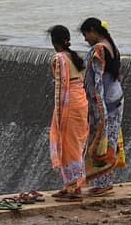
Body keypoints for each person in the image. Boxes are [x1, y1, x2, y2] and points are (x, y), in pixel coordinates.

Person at [80, 17, 126, 196]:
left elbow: (97, 81)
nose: (85, 39)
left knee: (103, 142)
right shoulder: (111, 46)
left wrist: (100, 110)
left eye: (85, 35)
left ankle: (104, 183)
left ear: (93, 31)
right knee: (109, 141)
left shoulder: (98, 49)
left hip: (106, 102)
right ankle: (105, 181)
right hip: (116, 97)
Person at [47, 25, 89, 201]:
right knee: (74, 144)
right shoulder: (74, 57)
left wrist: (59, 115)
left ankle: (73, 187)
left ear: (54, 42)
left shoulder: (59, 59)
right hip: (80, 101)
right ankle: (71, 184)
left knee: (68, 144)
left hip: (69, 104)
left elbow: (60, 88)